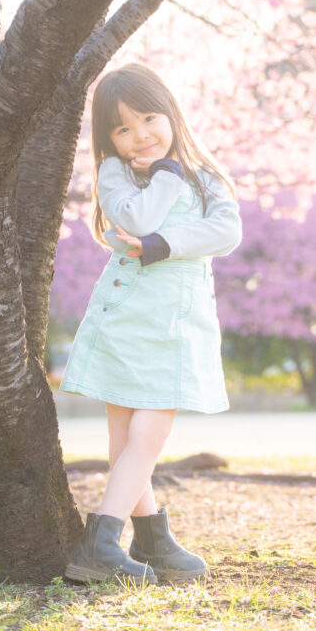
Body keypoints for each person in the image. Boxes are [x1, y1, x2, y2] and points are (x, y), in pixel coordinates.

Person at [60, 62, 242, 585]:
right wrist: (163, 173)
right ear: (108, 139)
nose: (139, 135)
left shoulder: (206, 176)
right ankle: (102, 545)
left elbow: (225, 232)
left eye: (148, 119)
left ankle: (152, 542)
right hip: (128, 315)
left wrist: (164, 245)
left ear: (171, 114)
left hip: (178, 321)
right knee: (141, 431)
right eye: (122, 129)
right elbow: (136, 221)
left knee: (133, 436)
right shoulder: (118, 175)